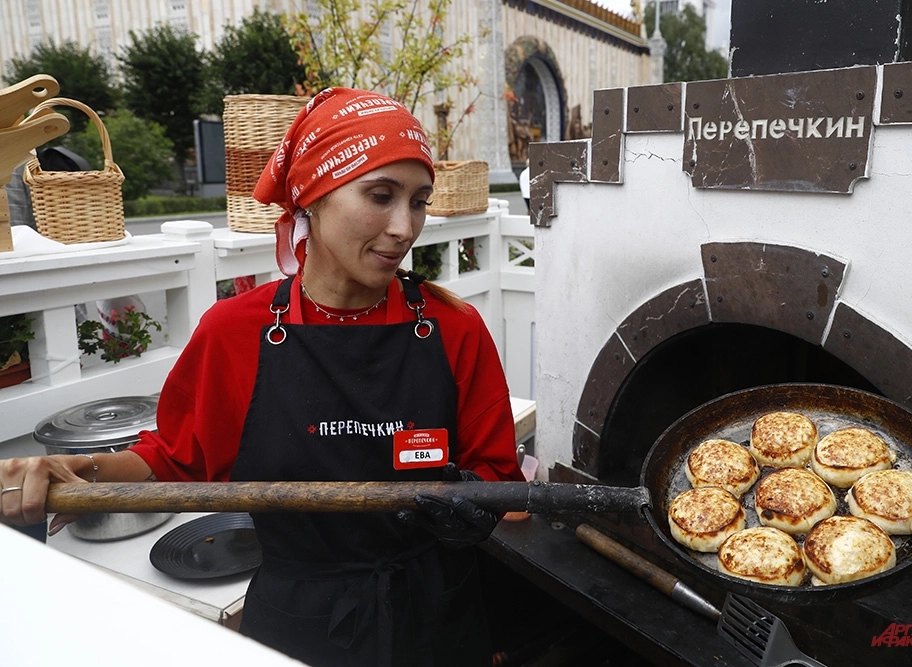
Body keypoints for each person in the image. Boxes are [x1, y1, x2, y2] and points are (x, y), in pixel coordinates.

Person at [0, 87, 525, 667]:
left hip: (439, 613)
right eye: (380, 196)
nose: (405, 227)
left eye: (419, 201)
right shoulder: (237, 330)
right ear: (313, 198)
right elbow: (176, 460)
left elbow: (496, 468)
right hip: (300, 621)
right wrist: (83, 471)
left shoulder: (454, 327)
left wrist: (473, 503)